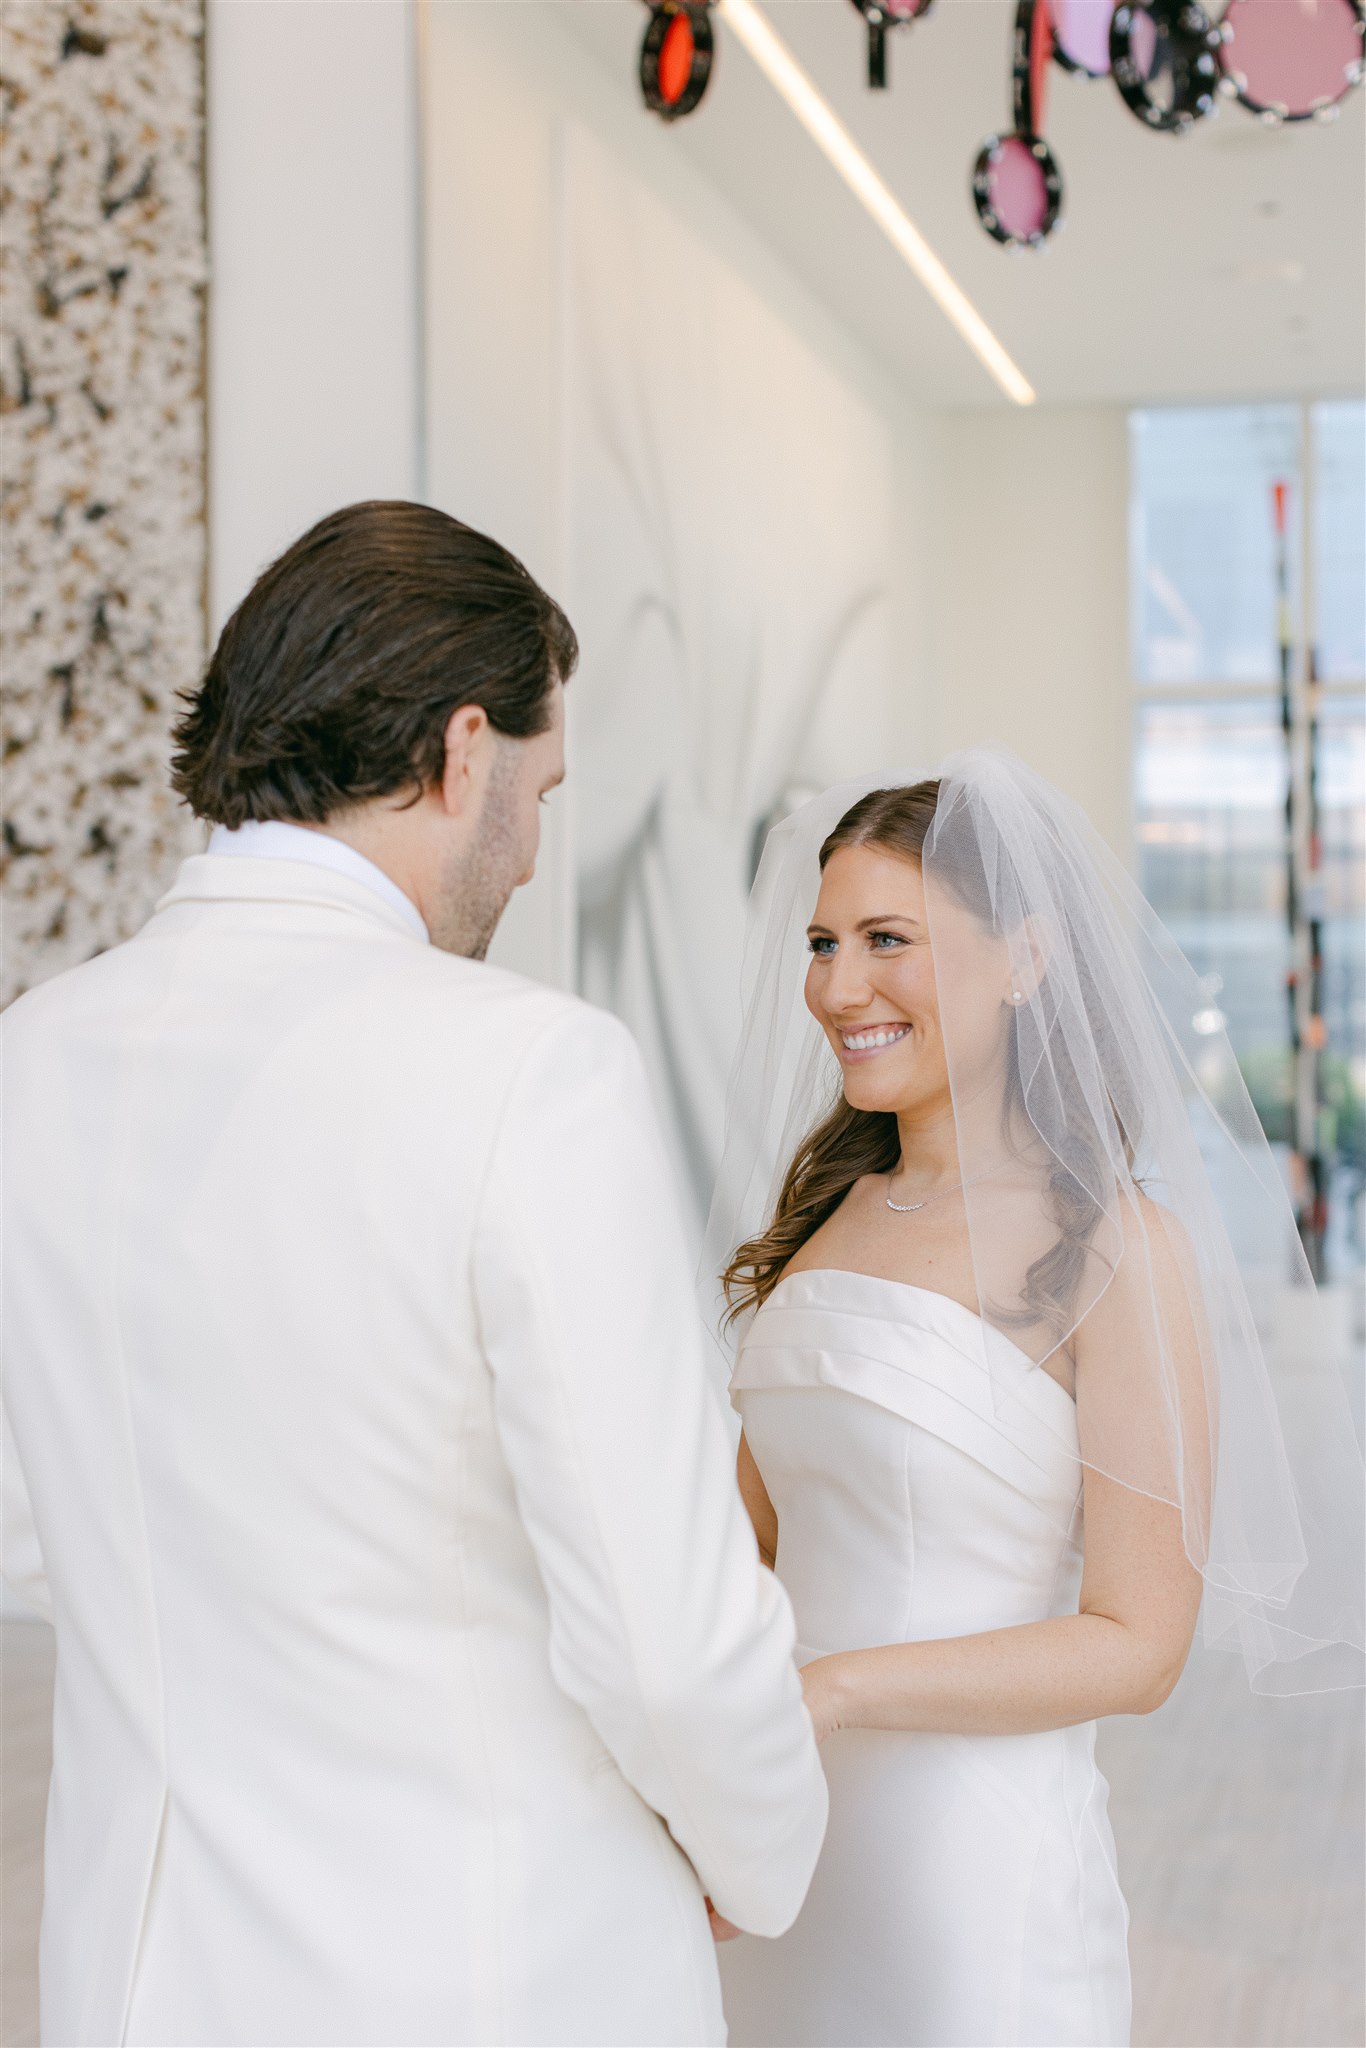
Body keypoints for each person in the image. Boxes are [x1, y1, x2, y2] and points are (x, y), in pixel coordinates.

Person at [0, 501, 827, 2048]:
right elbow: (664, 1625)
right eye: (539, 791)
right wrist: (761, 1858)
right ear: (463, 754)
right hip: (481, 1972)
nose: (523, 857)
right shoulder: (528, 1070)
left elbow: (29, 1521)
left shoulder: (30, 1059)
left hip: (132, 1977)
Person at [705, 755, 1364, 2048]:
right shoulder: (823, 1217)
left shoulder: (1114, 1248)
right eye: (823, 942)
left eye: (887, 939)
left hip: (966, 1871)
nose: (837, 989)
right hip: (782, 1841)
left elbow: (1136, 1642)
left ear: (1024, 959)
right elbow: (744, 1554)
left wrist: (830, 1691)